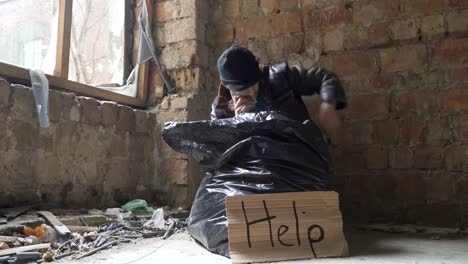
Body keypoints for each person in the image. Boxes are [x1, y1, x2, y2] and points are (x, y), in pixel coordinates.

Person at [211, 44, 347, 139]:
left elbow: (325, 77)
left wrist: (330, 103)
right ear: (229, 88)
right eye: (243, 89)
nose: (252, 92)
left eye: (255, 83)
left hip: (296, 158)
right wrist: (239, 122)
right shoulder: (221, 110)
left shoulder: (280, 77)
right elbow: (220, 150)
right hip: (253, 171)